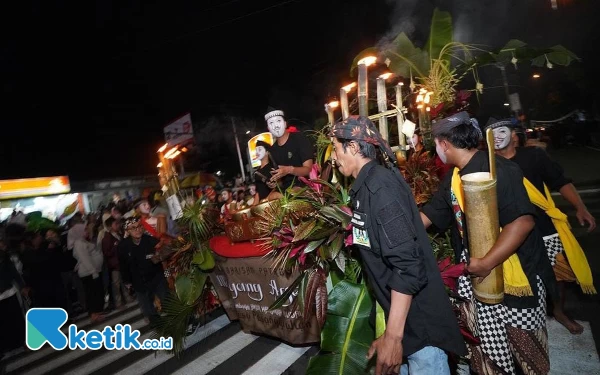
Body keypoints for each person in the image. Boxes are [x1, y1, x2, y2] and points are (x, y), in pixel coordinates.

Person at [420, 112, 556, 374]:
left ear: (444, 144)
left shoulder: (499, 170)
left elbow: (522, 222)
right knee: (488, 351)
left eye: (436, 144)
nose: (437, 150)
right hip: (478, 277)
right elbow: (428, 215)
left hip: (516, 277)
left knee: (526, 355)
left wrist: (486, 263)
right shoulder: (453, 178)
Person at [330, 115, 466, 375]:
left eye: (336, 148)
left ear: (354, 147)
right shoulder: (365, 187)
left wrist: (392, 337)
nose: (334, 158)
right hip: (406, 324)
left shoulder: (380, 188)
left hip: (420, 326)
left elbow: (407, 265)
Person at [487, 117, 596, 334]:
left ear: (514, 136)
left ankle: (559, 311)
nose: (497, 137)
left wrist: (580, 207)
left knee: (559, 272)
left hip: (543, 228)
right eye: (492, 133)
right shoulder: (487, 164)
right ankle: (522, 317)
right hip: (510, 231)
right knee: (518, 276)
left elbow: (560, 181)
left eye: (502, 131)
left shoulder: (534, 157)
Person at [118, 217, 169, 324]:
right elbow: (123, 266)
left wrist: (159, 256)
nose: (138, 230)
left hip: (157, 277)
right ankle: (157, 325)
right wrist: (127, 282)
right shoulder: (123, 246)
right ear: (127, 231)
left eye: (139, 226)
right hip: (139, 282)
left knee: (168, 302)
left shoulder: (150, 240)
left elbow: (165, 253)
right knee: (148, 310)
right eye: (133, 228)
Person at [264, 108, 314, 191]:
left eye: (278, 121)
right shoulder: (272, 151)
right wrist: (274, 182)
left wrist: (288, 170)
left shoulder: (299, 138)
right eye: (271, 123)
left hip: (306, 186)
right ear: (268, 128)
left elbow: (308, 170)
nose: (275, 126)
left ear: (285, 124)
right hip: (287, 191)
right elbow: (280, 182)